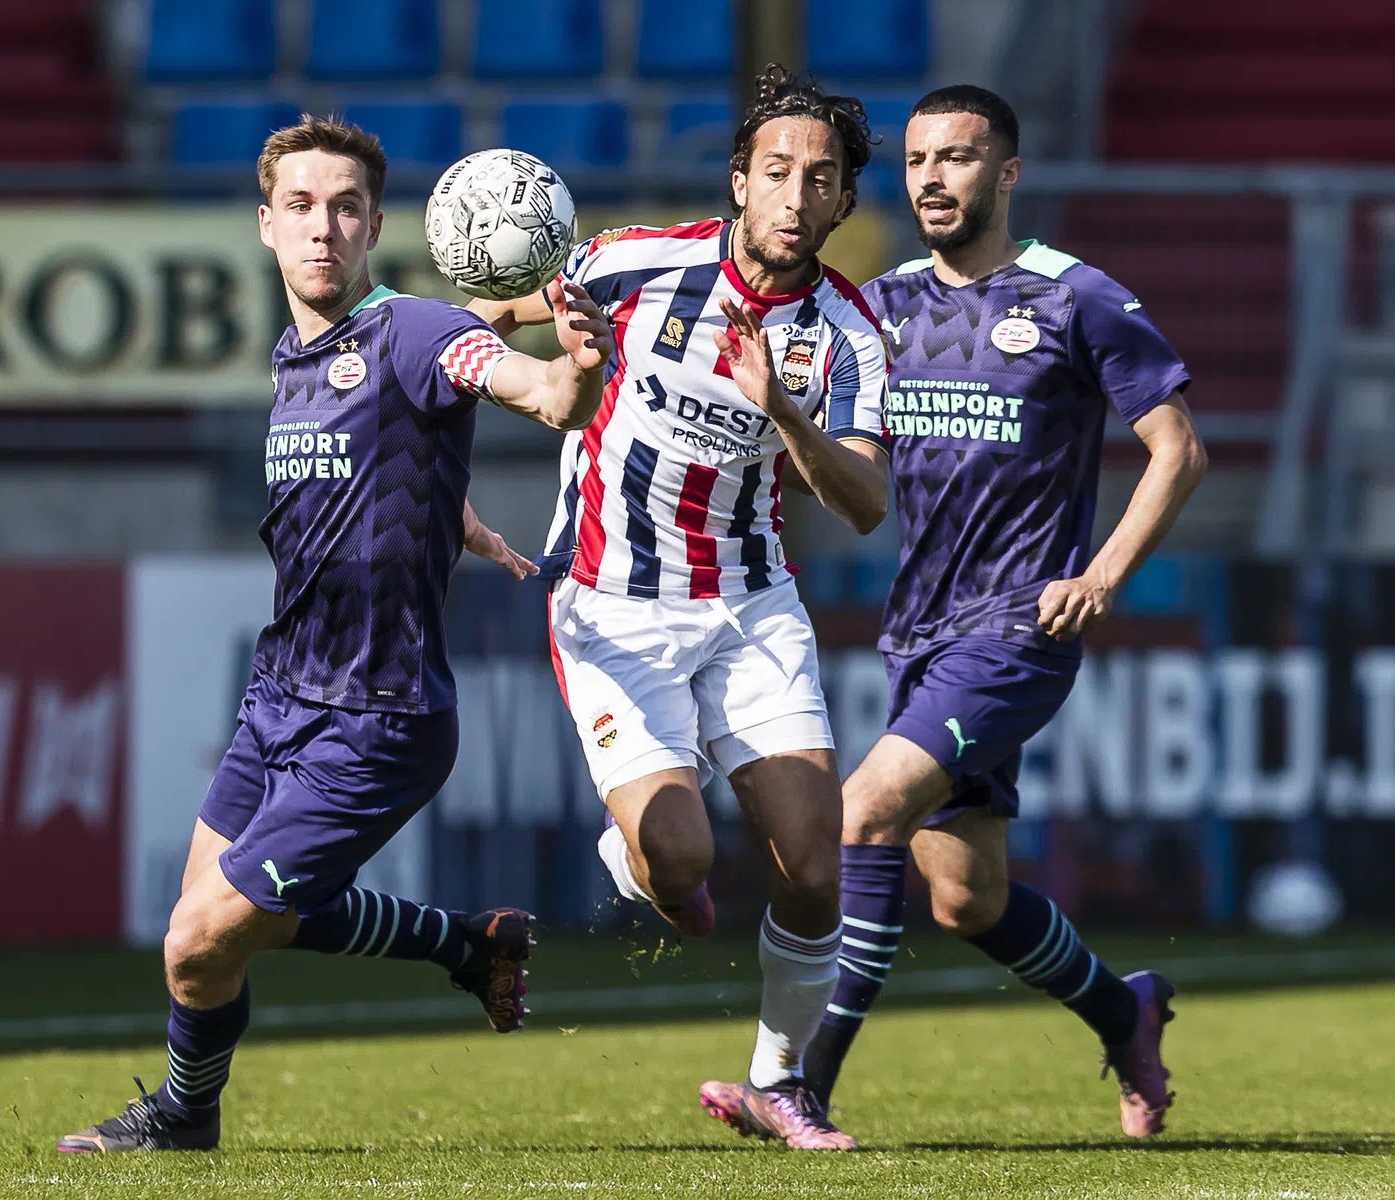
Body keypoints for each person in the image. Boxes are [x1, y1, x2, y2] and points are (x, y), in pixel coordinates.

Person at [56, 115, 614, 1154]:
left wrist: (572, 373)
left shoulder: (411, 330)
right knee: (214, 934)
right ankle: (466, 944)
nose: (324, 227)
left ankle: (185, 1119)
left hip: (381, 713)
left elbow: (530, 389)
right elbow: (388, 450)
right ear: (266, 224)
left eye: (346, 208)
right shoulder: (296, 357)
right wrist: (450, 511)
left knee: (194, 945)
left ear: (375, 227)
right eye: (302, 207)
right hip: (281, 697)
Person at [469, 67, 890, 1151]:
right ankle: (642, 860)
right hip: (611, 604)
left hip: (751, 605)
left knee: (813, 860)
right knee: (683, 865)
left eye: (822, 181)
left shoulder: (847, 333)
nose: (796, 198)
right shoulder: (629, 264)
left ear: (843, 204)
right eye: (778, 173)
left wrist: (783, 412)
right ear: (739, 181)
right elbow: (486, 314)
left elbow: (863, 502)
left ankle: (778, 1083)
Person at [797, 86, 1208, 1139]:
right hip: (917, 632)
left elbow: (1177, 448)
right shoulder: (881, 307)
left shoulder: (1077, 300)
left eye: (959, 158)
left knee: (864, 812)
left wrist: (1103, 571)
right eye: (920, 159)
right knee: (965, 901)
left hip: (1019, 628)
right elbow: (856, 474)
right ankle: (1128, 1011)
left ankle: (797, 1086)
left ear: (1006, 174)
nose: (933, 178)